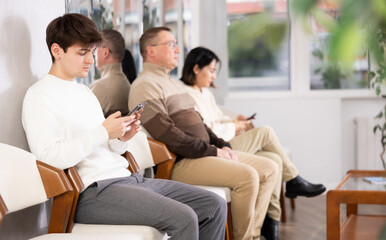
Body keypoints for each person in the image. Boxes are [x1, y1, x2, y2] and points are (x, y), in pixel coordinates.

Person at [22, 14, 227, 240]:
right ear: (57, 51)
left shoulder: (84, 92)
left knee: (214, 205)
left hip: (127, 179)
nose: (90, 60)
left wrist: (120, 139)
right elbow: (49, 158)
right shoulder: (39, 95)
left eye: (92, 52)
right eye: (82, 53)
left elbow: (104, 148)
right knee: (185, 218)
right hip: (93, 192)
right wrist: (103, 132)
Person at [129, 26, 279, 240]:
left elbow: (200, 123)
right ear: (151, 51)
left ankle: (252, 235)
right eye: (171, 44)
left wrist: (221, 145)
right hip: (183, 161)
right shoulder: (144, 86)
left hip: (203, 154)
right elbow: (168, 135)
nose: (178, 50)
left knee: (270, 168)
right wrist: (212, 151)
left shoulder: (173, 84)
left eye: (176, 44)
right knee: (248, 177)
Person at [180, 46, 327, 239]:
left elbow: (216, 119)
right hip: (217, 147)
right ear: (196, 68)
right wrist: (234, 125)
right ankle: (293, 181)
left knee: (273, 159)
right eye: (212, 70)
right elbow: (206, 131)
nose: (214, 76)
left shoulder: (205, 92)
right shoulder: (186, 94)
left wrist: (234, 120)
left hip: (226, 138)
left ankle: (267, 224)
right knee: (266, 132)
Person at [90, 29, 131, 118]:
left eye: (95, 49)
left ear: (105, 52)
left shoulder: (100, 87)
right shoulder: (126, 83)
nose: (93, 53)